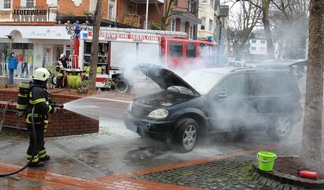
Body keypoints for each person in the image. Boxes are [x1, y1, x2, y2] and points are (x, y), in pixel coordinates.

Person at [25, 68, 57, 167]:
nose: (47, 81)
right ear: (43, 79)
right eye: (47, 79)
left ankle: (41, 155)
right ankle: (32, 160)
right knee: (35, 140)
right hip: (35, 120)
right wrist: (51, 109)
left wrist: (50, 103)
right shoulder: (37, 90)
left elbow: (42, 102)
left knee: (40, 138)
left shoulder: (37, 89)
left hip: (38, 119)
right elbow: (41, 106)